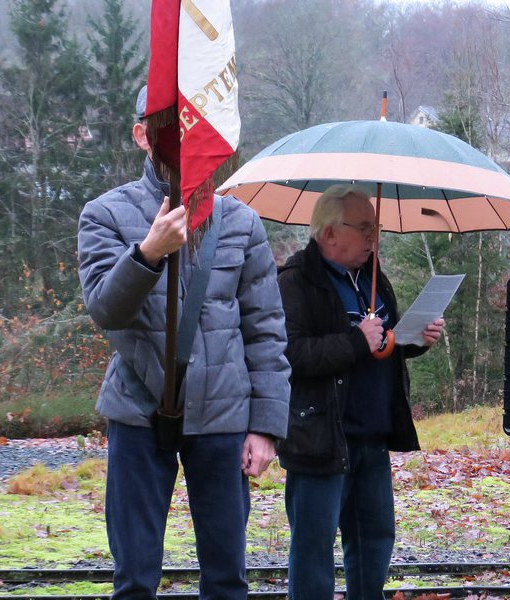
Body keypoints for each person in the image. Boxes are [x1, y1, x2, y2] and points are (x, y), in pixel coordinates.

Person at [77, 85, 291, 600]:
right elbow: (107, 309)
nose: (179, 138)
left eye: (188, 125)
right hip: (138, 411)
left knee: (226, 578)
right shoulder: (105, 215)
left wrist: (266, 428)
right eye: (166, 126)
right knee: (134, 578)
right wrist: (147, 253)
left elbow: (265, 332)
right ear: (141, 136)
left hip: (223, 417)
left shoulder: (240, 221)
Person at [276, 184, 445, 599]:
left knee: (374, 543)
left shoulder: (372, 277)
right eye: (364, 228)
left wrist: (414, 339)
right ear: (330, 232)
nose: (374, 238)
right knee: (314, 551)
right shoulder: (296, 280)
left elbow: (384, 343)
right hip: (320, 438)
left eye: (376, 227)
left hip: (372, 435)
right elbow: (290, 353)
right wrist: (354, 341)